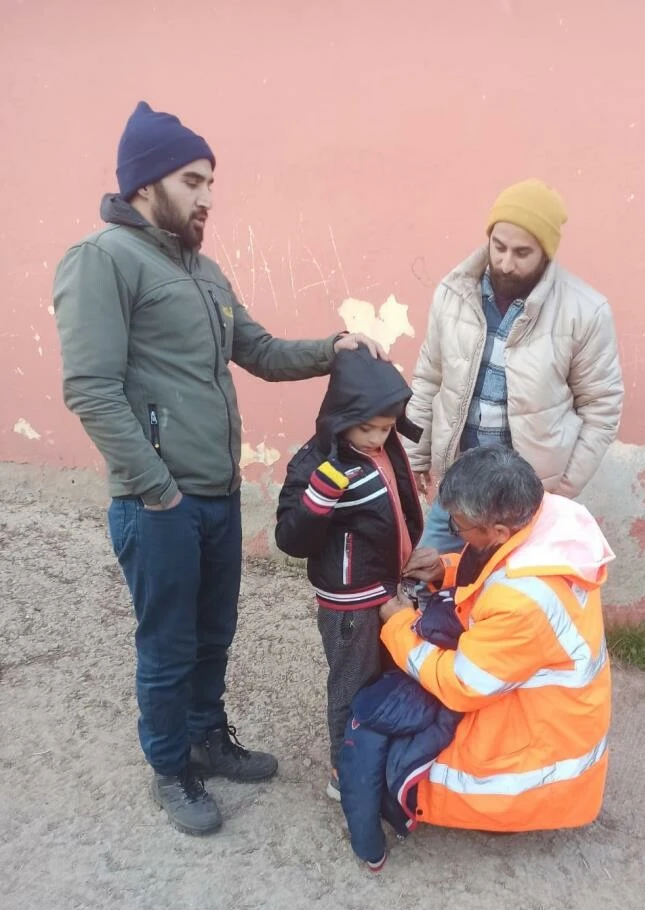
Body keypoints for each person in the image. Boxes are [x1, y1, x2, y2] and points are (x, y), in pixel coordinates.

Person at [52, 101, 383, 836]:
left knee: (214, 630)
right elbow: (91, 389)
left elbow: (258, 351)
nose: (207, 196)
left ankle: (207, 737)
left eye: (211, 182)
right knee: (168, 643)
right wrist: (157, 488)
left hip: (216, 495)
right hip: (159, 501)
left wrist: (332, 348)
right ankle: (170, 765)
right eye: (193, 180)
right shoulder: (103, 260)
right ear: (145, 184)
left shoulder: (203, 271)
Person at [369, 444, 614, 840]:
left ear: (498, 530)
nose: (455, 533)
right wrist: (445, 569)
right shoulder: (545, 517)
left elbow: (462, 685)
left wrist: (398, 625)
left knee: (419, 753)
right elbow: (495, 572)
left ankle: (508, 814)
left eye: (459, 526)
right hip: (552, 702)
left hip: (541, 739)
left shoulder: (522, 600)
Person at [405, 178, 624, 553]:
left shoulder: (586, 311)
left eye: (522, 253)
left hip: (526, 503)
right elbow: (429, 379)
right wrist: (417, 458)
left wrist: (559, 490)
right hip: (455, 491)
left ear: (546, 253)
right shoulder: (452, 294)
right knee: (428, 588)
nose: (506, 263)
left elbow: (601, 408)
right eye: (499, 247)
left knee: (508, 605)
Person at [274, 349, 424, 801]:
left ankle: (372, 756)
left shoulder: (382, 450)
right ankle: (344, 770)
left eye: (385, 426)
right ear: (341, 416)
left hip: (383, 587)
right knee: (350, 682)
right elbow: (290, 538)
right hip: (351, 604)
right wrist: (318, 500)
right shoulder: (319, 465)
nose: (378, 436)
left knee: (383, 677)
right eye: (368, 428)